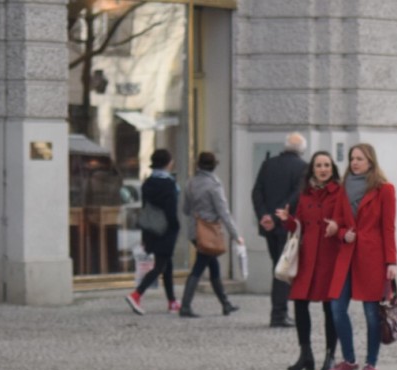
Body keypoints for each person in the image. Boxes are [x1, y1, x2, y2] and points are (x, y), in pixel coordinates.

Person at [274, 151, 349, 370]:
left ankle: (330, 355)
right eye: (319, 165)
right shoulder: (305, 194)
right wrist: (288, 221)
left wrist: (337, 228)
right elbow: (298, 227)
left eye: (326, 165)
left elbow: (345, 221)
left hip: (328, 256)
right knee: (299, 303)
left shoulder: (339, 193)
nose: (323, 169)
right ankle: (305, 354)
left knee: (329, 307)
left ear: (332, 169)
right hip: (307, 257)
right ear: (313, 169)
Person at [327, 142, 397, 370]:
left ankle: (371, 364)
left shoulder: (384, 189)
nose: (355, 162)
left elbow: (388, 228)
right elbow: (337, 222)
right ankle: (349, 360)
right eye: (352, 158)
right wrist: (341, 233)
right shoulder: (342, 188)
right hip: (347, 255)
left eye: (359, 158)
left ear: (370, 162)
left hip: (372, 257)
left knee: (371, 312)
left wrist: (391, 262)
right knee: (337, 307)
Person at [252, 132, 308, 327]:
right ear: (302, 149)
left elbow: (256, 191)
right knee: (283, 269)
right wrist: (277, 217)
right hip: (287, 224)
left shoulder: (268, 164)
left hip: (269, 225)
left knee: (277, 266)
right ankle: (278, 314)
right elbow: (296, 196)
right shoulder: (303, 167)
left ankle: (279, 312)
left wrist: (264, 216)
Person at [179, 151, 242, 318]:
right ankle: (185, 306)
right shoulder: (214, 185)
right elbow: (224, 213)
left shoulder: (190, 183)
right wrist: (236, 235)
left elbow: (185, 209)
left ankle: (225, 304)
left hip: (194, 231)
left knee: (213, 266)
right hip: (209, 232)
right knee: (199, 267)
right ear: (214, 166)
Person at [125, 149, 180, 315]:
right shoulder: (170, 185)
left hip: (150, 229)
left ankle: (172, 301)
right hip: (166, 230)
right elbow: (171, 211)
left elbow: (145, 209)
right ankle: (136, 294)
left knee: (166, 264)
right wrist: (175, 227)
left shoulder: (147, 183)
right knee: (160, 266)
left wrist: (144, 234)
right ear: (167, 163)